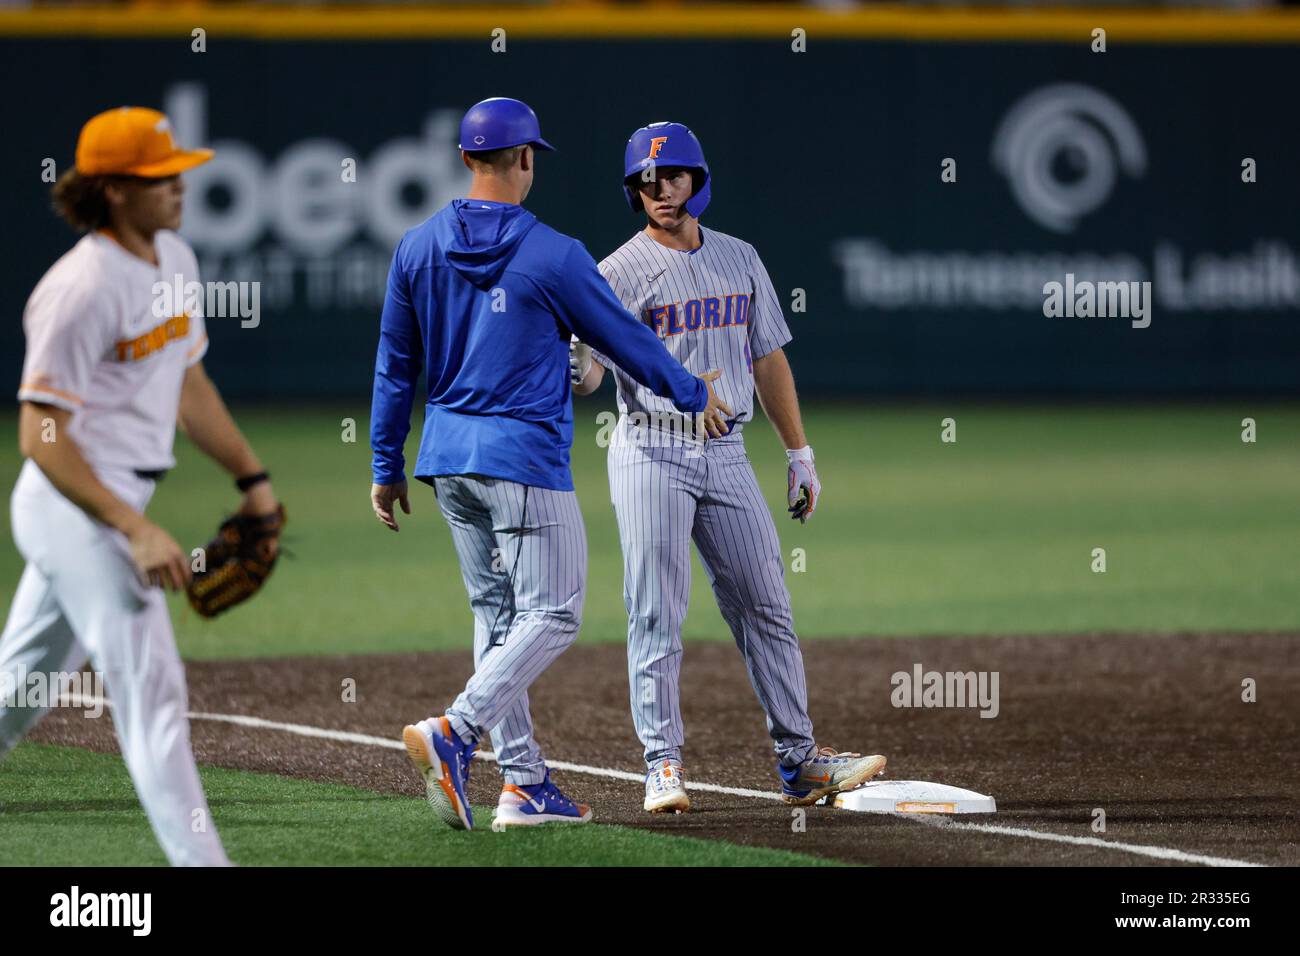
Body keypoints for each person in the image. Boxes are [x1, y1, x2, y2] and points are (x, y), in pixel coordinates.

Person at [370, 98, 731, 832]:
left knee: (496, 615)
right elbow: (628, 342)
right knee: (555, 613)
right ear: (526, 159)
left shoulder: (414, 247)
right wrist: (693, 391)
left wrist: (385, 464)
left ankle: (526, 784)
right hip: (522, 459)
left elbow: (393, 366)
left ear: (467, 159)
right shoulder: (554, 253)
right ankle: (455, 732)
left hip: (446, 460)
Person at [571, 122, 886, 813]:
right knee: (656, 609)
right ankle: (662, 766)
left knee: (766, 602)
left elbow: (768, 356)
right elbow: (589, 378)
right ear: (634, 191)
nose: (660, 190)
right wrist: (576, 359)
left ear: (697, 181)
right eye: (646, 182)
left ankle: (800, 762)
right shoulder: (614, 271)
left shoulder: (740, 257)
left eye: (672, 176)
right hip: (651, 445)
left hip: (728, 450)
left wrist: (798, 452)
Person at [0, 107, 282, 864]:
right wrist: (134, 527)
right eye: (160, 176)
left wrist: (253, 481)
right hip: (72, 505)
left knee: (14, 695)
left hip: (113, 502)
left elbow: (189, 387)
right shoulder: (80, 288)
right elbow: (40, 435)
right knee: (153, 692)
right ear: (115, 190)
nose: (179, 185)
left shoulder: (175, 261)